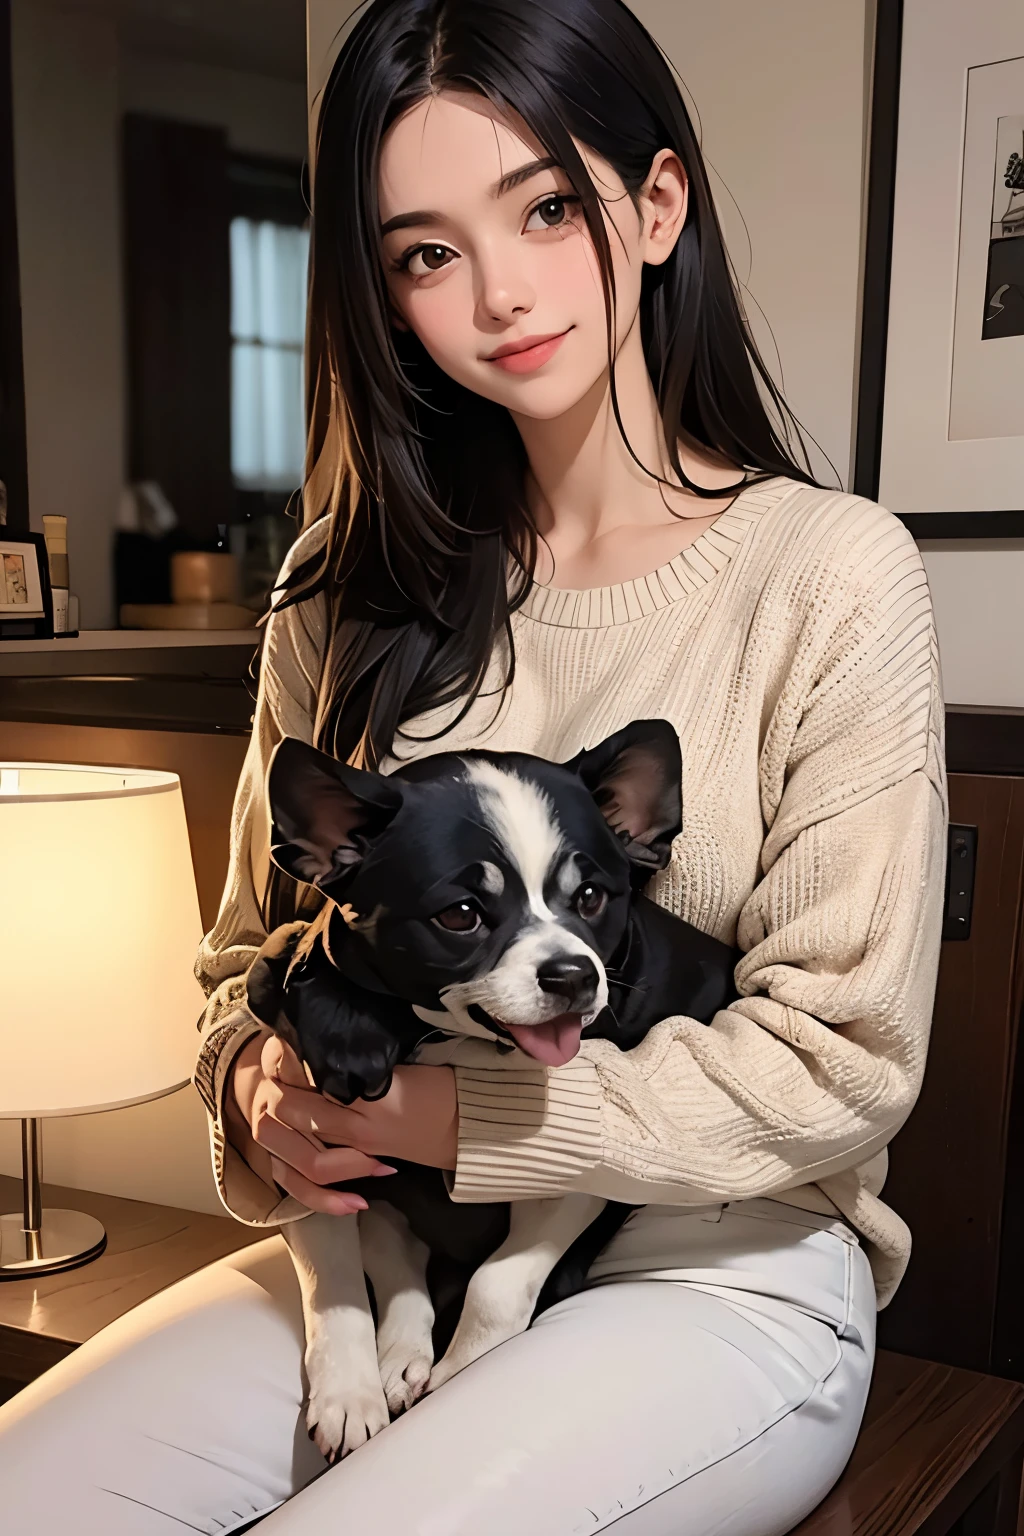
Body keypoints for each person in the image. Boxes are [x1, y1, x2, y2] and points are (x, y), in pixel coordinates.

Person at [0, 1, 947, 1531]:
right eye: (426, 252)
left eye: (548, 207)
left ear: (653, 204)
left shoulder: (829, 576)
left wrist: (449, 1119)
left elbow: (839, 1061)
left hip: (720, 1265)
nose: (499, 293)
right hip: (398, 1240)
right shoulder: (343, 575)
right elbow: (246, 955)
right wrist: (258, 1090)